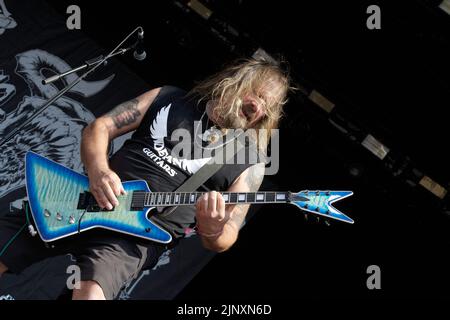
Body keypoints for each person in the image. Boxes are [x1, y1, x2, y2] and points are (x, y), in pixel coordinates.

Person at [0, 57, 291, 300]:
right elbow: (100, 127)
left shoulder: (250, 162)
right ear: (238, 82)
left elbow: (229, 235)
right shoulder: (171, 98)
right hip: (87, 198)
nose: (261, 110)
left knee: (90, 293)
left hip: (134, 238)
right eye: (260, 97)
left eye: (271, 107)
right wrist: (99, 171)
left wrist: (214, 229)